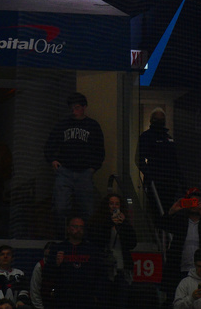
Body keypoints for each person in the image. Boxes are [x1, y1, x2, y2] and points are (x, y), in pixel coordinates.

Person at [44, 92, 105, 225]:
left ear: (84, 107)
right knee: (61, 207)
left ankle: (84, 234)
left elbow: (99, 149)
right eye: (72, 108)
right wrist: (52, 160)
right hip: (65, 170)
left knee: (87, 208)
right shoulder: (63, 124)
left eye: (77, 107)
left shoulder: (92, 126)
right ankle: (63, 233)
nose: (74, 111)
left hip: (84, 172)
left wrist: (92, 168)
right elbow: (50, 144)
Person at [161, 189, 201, 293]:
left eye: (196, 202)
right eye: (191, 202)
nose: (194, 205)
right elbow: (161, 224)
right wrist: (172, 211)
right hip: (181, 270)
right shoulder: (180, 221)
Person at [86, 194, 136, 308]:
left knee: (121, 302)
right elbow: (97, 240)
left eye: (117, 204)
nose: (114, 206)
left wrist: (124, 224)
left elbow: (132, 243)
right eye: (111, 203)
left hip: (122, 269)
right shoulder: (98, 222)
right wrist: (109, 223)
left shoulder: (124, 223)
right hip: (104, 270)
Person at [42, 217, 103, 309]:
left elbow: (100, 274)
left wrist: (96, 296)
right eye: (75, 226)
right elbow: (46, 274)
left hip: (86, 299)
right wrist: (56, 264)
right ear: (68, 229)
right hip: (63, 299)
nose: (78, 230)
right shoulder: (58, 248)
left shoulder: (92, 250)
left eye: (81, 227)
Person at [135, 107, 182, 221]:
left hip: (170, 183)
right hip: (155, 183)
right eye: (157, 119)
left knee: (169, 211)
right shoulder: (146, 136)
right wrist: (150, 175)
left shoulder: (168, 138)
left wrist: (180, 181)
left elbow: (175, 162)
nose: (159, 121)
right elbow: (139, 159)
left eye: (161, 119)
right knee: (156, 212)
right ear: (151, 120)